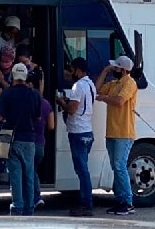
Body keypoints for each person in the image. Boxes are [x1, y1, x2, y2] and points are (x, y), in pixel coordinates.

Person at [95, 55, 138, 216]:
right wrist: (105, 71)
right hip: (111, 132)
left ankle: (127, 202)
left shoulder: (130, 83)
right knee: (115, 167)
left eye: (116, 68)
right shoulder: (114, 83)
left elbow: (120, 101)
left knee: (120, 166)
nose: (115, 70)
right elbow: (97, 88)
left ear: (124, 70)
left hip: (123, 133)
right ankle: (120, 200)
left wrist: (103, 98)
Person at [0, 63, 40, 216]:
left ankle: (17, 207)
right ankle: (29, 208)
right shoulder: (34, 94)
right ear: (25, 77)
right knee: (29, 174)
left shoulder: (7, 94)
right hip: (29, 139)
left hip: (11, 138)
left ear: (13, 76)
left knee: (15, 175)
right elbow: (38, 117)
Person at [56, 57, 96, 217]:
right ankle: (86, 201)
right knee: (83, 169)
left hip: (78, 133)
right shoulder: (91, 85)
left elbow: (72, 110)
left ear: (79, 70)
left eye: (72, 69)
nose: (70, 72)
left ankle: (86, 204)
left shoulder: (78, 86)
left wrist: (61, 102)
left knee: (82, 170)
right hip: (87, 131)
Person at [26, 72, 54, 208]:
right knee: (33, 170)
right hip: (40, 144)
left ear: (30, 84)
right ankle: (35, 197)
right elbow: (51, 126)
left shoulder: (26, 101)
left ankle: (34, 197)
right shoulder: (46, 104)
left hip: (28, 142)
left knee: (28, 172)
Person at [0, 45, 15, 187]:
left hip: (8, 119)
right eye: (2, 59)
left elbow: (13, 91)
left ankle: (6, 177)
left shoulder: (15, 74)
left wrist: (3, 82)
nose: (4, 63)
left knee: (6, 149)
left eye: (8, 60)